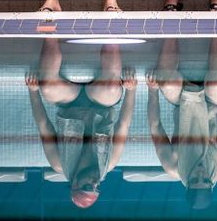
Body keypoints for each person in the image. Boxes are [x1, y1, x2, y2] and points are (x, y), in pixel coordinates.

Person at [25, 39, 136, 208]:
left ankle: (51, 30)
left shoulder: (58, 163)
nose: (94, 182)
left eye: (87, 186)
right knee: (112, 87)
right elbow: (123, 126)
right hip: (101, 103)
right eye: (97, 187)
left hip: (69, 103)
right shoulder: (109, 163)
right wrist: (131, 90)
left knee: (47, 87)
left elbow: (44, 126)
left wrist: (33, 92)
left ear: (75, 184)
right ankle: (111, 32)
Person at [146, 38, 217, 210]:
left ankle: (172, 22)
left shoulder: (172, 165)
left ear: (187, 185)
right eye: (205, 179)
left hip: (183, 103)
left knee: (167, 82)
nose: (200, 173)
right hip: (216, 103)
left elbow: (155, 127)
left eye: (194, 180)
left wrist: (153, 90)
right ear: (211, 184)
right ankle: (216, 20)